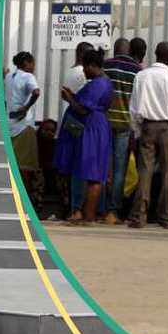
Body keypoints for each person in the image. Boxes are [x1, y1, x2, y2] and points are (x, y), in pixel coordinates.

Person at [128, 42, 168, 230]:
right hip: (167, 128)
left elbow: (134, 108)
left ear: (155, 53)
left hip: (147, 126)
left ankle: (139, 216)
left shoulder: (141, 76)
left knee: (145, 171)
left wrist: (137, 130)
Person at [53, 50, 113, 226]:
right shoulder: (101, 83)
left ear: (92, 66)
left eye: (85, 68)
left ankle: (88, 216)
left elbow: (83, 109)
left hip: (92, 130)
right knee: (88, 171)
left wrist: (69, 99)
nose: (84, 72)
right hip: (92, 128)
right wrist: (74, 96)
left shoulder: (98, 84)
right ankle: (85, 215)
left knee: (93, 173)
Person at [101, 38, 140, 224]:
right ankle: (114, 211)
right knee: (119, 169)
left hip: (104, 122)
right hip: (125, 124)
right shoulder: (137, 70)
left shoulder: (105, 66)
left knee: (102, 165)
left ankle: (99, 207)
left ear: (115, 50)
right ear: (129, 50)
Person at [7, 52, 42, 214]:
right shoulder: (28, 77)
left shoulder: (9, 77)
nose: (33, 67)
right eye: (32, 63)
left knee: (15, 167)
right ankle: (25, 205)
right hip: (24, 126)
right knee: (26, 169)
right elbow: (36, 92)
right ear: (26, 63)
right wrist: (26, 107)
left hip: (10, 125)